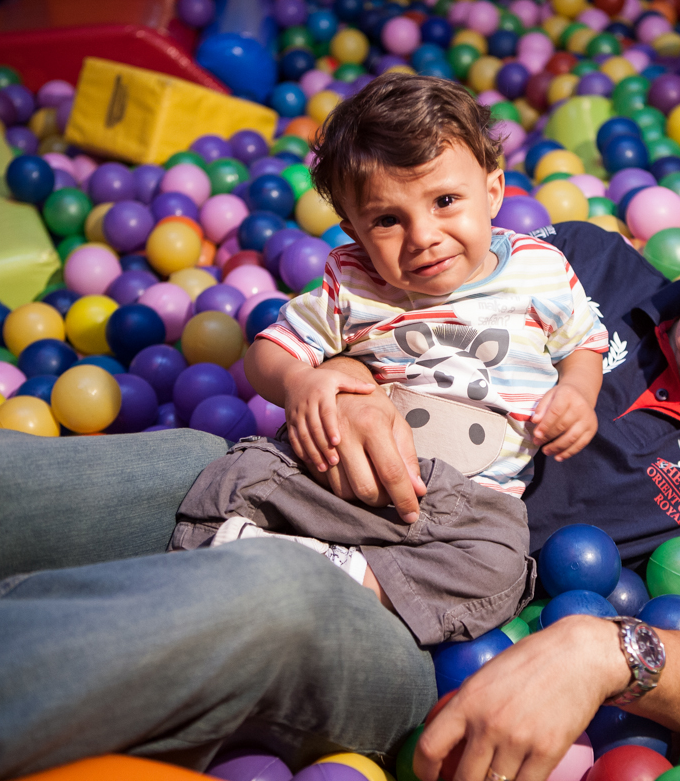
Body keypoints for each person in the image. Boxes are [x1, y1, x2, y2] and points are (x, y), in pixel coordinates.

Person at [0, 153, 680, 781]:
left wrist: (599, 648)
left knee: (269, 597)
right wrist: (326, 383)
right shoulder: (585, 267)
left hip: (415, 633)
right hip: (285, 478)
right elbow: (360, 315)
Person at [169, 75, 608, 646]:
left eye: (445, 202)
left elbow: (583, 343)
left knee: (498, 567)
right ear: (353, 229)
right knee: (234, 478)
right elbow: (267, 353)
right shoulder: (352, 282)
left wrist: (577, 393)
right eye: (387, 220)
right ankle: (306, 566)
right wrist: (300, 382)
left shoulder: (539, 269)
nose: (423, 236)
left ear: (493, 190)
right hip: (341, 474)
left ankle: (326, 573)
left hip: (465, 507)